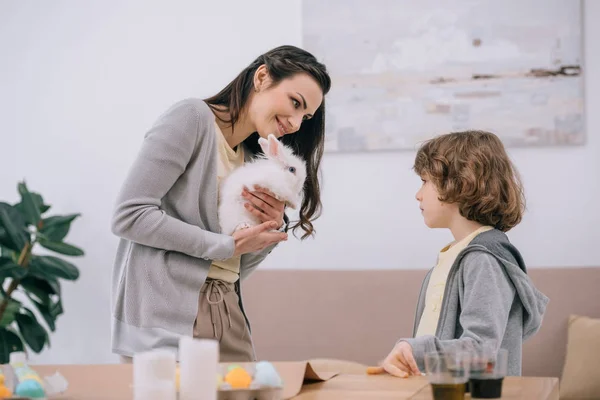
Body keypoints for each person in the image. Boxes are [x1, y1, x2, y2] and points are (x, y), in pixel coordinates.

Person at [110, 45, 331, 362]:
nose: (296, 123)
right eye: (295, 103)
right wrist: (224, 245)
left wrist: (267, 234)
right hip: (166, 312)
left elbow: (238, 266)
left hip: (227, 307)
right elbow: (129, 216)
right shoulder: (191, 119)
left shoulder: (253, 160)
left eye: (305, 116)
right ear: (262, 77)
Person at [375, 130, 548, 377]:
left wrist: (416, 350)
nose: (418, 194)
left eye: (425, 181)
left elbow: (482, 350)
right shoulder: (455, 256)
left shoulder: (483, 260)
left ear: (460, 183)